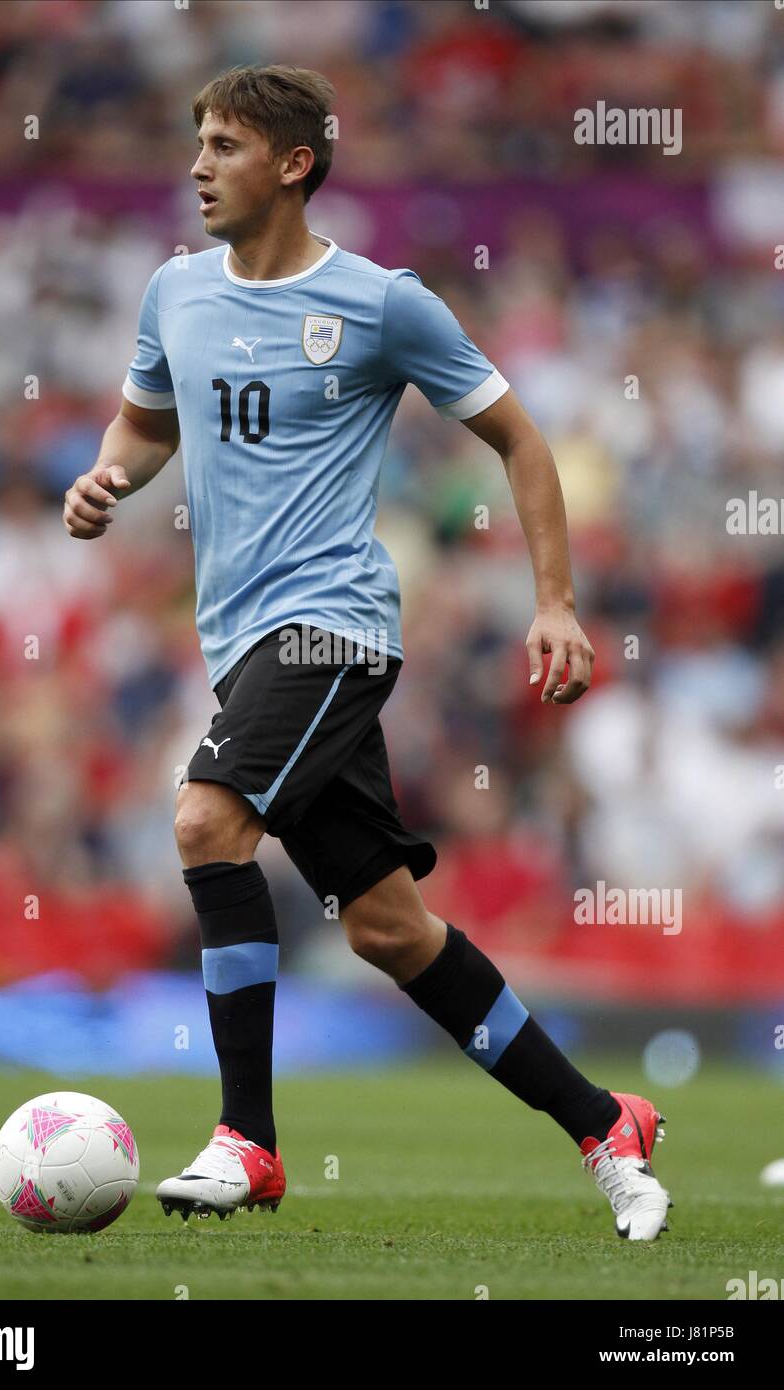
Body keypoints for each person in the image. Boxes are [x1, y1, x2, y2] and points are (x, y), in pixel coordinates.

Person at [63, 64, 671, 1241]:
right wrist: (107, 480)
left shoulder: (384, 303)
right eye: (197, 140)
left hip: (337, 626)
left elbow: (520, 437)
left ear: (294, 164)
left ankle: (250, 1139)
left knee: (203, 820)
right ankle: (606, 1122)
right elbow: (144, 425)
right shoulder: (173, 293)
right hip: (242, 647)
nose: (197, 165)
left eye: (225, 145)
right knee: (389, 927)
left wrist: (555, 601)